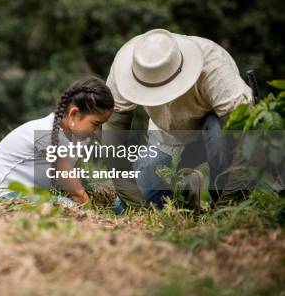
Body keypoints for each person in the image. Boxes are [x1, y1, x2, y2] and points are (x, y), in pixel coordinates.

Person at [102, 28, 252, 213]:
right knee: (123, 209)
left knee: (219, 141)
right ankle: (185, 193)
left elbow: (249, 144)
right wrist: (136, 209)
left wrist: (225, 211)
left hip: (215, 126)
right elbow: (113, 147)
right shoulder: (128, 67)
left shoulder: (214, 68)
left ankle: (219, 197)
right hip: (166, 133)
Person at [0, 76, 114, 205]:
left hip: (29, 194)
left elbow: (74, 182)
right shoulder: (45, 134)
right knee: (67, 206)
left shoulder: (78, 136)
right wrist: (93, 216)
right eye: (96, 124)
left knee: (106, 197)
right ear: (74, 114)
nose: (97, 131)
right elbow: (76, 193)